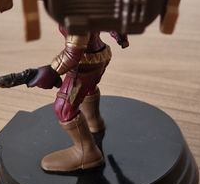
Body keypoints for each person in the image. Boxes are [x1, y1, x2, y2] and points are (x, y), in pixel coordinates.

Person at [28, 27, 129, 172]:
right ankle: (94, 122)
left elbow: (73, 54)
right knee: (88, 88)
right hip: (101, 55)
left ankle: (86, 152)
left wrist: (52, 71)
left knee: (64, 108)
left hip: (84, 65)